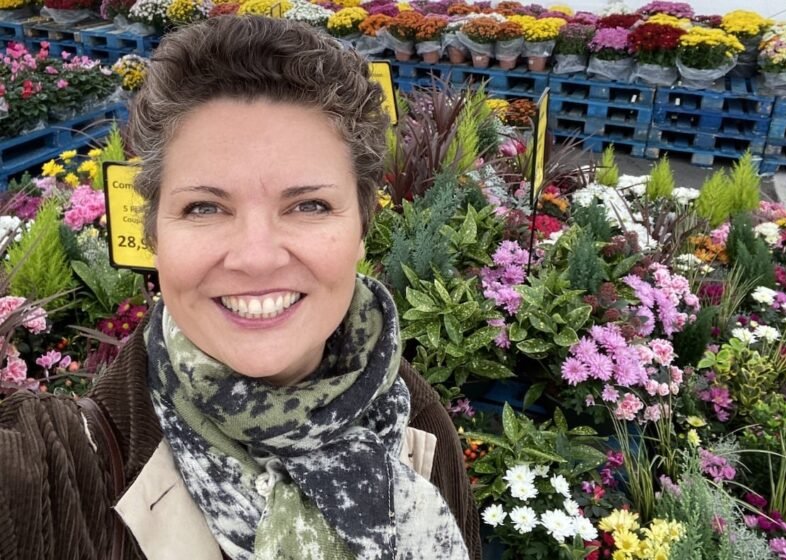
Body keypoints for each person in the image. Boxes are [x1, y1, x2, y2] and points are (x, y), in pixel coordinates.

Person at [0, 16, 480, 560]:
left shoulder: (415, 419)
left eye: (308, 205)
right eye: (204, 207)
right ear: (154, 233)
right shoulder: (60, 471)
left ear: (362, 228)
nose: (256, 257)